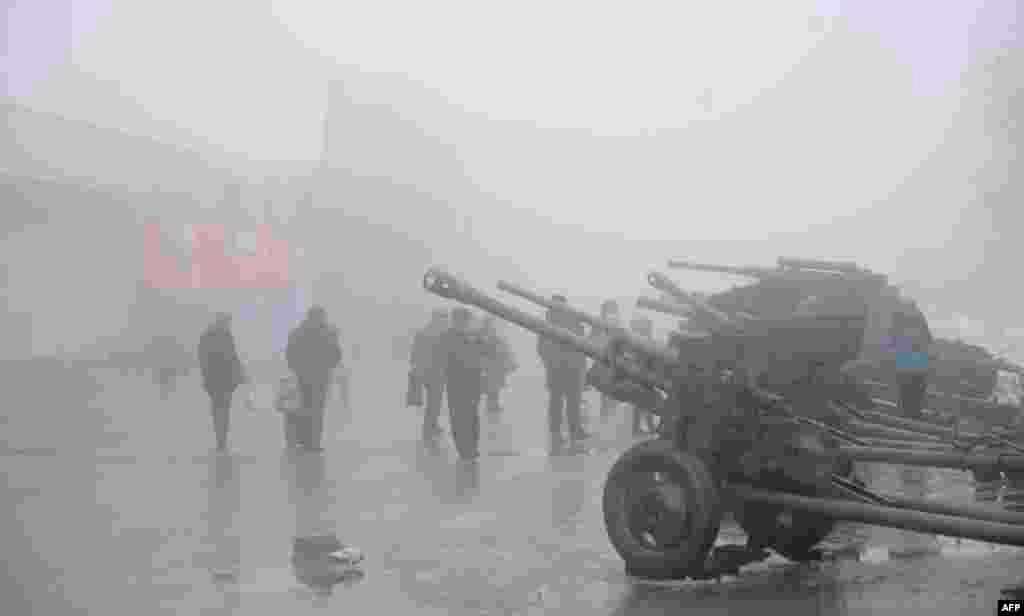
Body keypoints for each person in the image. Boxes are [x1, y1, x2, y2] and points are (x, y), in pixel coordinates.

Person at [439, 307, 498, 460]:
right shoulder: (447, 337)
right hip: (456, 383)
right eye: (462, 320)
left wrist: (483, 338)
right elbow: (446, 357)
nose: (464, 323)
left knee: (472, 416)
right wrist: (470, 343)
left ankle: (472, 447)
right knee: (458, 417)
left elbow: (490, 352)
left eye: (466, 320)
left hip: (473, 383)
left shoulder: (473, 336)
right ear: (455, 321)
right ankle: (464, 449)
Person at [286, 306, 343, 452]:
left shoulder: (297, 332)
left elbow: (290, 355)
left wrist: (297, 368)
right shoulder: (327, 333)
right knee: (316, 410)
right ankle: (313, 442)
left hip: (303, 376)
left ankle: (304, 440)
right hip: (319, 376)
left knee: (303, 408)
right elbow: (336, 355)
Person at [539, 295, 589, 444]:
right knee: (557, 403)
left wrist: (581, 365)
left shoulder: (574, 321)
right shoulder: (547, 323)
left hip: (572, 368)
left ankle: (575, 430)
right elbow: (542, 347)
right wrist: (551, 361)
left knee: (573, 401)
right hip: (557, 369)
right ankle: (556, 432)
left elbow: (582, 345)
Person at [198, 313, 245, 452]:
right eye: (227, 322)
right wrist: (238, 371)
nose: (228, 324)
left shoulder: (206, 336)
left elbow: (202, 358)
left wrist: (206, 375)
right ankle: (221, 440)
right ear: (222, 322)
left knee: (218, 409)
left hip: (213, 380)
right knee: (223, 409)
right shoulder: (224, 336)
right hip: (224, 379)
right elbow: (231, 356)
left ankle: (220, 439)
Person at [411, 309, 449, 439]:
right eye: (443, 318)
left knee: (433, 401)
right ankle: (430, 426)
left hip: (427, 371)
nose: (446, 321)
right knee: (434, 401)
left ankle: (431, 424)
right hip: (434, 372)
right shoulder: (439, 334)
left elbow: (414, 353)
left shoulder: (423, 332)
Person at [588, 300, 623, 419]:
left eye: (613, 310)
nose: (612, 313)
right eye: (610, 310)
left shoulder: (618, 324)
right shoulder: (599, 324)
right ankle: (606, 419)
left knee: (614, 393)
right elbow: (592, 340)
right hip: (604, 363)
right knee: (607, 392)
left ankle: (609, 419)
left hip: (615, 363)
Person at [628, 316, 659, 436]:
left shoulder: (638, 340)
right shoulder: (644, 341)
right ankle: (642, 428)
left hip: (642, 375)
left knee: (641, 402)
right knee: (643, 402)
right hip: (644, 375)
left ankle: (642, 428)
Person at [480, 316, 517, 413]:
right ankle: (492, 405)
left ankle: (493, 404)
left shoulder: (492, 334)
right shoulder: (483, 334)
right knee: (491, 387)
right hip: (490, 365)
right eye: (489, 323)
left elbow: (502, 347)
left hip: (495, 365)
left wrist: (508, 361)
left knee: (494, 387)